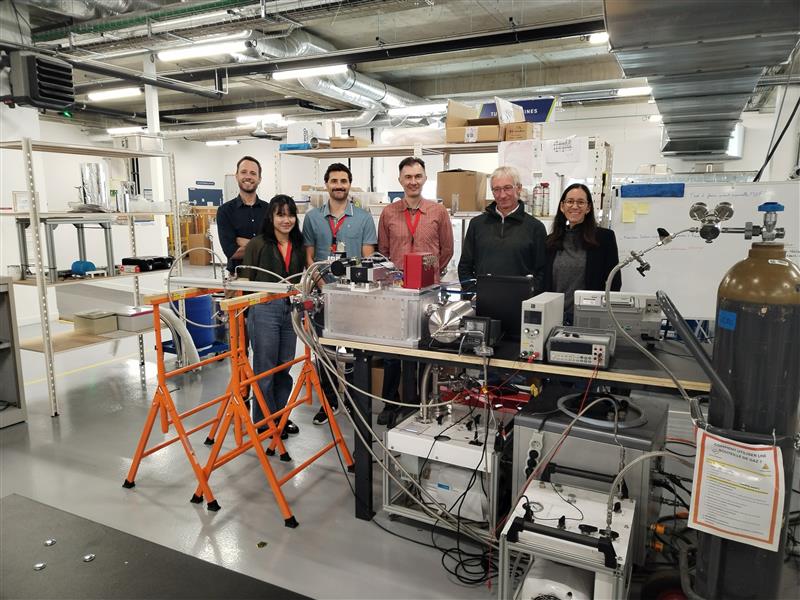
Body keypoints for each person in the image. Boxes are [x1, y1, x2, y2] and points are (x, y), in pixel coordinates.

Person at [376, 157, 454, 426]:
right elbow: (383, 251)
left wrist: (429, 274)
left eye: (417, 176)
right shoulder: (388, 213)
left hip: (426, 294)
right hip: (395, 293)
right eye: (408, 177)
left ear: (425, 179)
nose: (413, 181)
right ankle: (390, 403)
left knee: (422, 350)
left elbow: (447, 249)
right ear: (400, 180)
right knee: (391, 352)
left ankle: (420, 401)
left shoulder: (438, 212)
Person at [302, 163, 377, 425]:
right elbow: (309, 257)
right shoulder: (312, 218)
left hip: (355, 297)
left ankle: (355, 402)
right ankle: (329, 402)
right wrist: (324, 286)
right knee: (325, 352)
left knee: (357, 351)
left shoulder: (364, 218)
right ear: (326, 184)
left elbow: (368, 258)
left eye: (343, 181)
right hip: (323, 295)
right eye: (334, 181)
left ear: (349, 184)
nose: (339, 186)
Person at [240, 195, 305, 439]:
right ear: (271, 217)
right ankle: (264, 422)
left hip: (290, 310)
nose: (286, 220)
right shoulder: (257, 244)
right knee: (265, 369)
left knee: (284, 367)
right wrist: (246, 314)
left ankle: (280, 417)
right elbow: (245, 280)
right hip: (264, 310)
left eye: (290, 215)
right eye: (280, 215)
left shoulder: (298, 244)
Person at [458, 166, 547, 292]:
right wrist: (473, 293)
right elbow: (464, 267)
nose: (502, 195)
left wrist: (529, 296)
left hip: (520, 301)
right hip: (483, 300)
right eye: (497, 189)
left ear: (519, 188)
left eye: (507, 188)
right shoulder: (477, 224)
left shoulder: (535, 227)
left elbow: (542, 272)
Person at [544, 183, 621, 324]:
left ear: (588, 208)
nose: (575, 206)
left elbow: (614, 283)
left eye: (580, 202)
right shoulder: (550, 241)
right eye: (570, 201)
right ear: (562, 206)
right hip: (553, 317)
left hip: (589, 317)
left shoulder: (604, 238)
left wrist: (603, 316)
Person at [216, 156, 269, 274]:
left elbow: (275, 247)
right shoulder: (225, 211)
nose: (248, 176)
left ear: (259, 179)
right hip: (238, 276)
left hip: (268, 275)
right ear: (236, 176)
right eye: (244, 172)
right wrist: (263, 246)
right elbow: (231, 252)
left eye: (253, 173)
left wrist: (244, 242)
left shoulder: (269, 210)